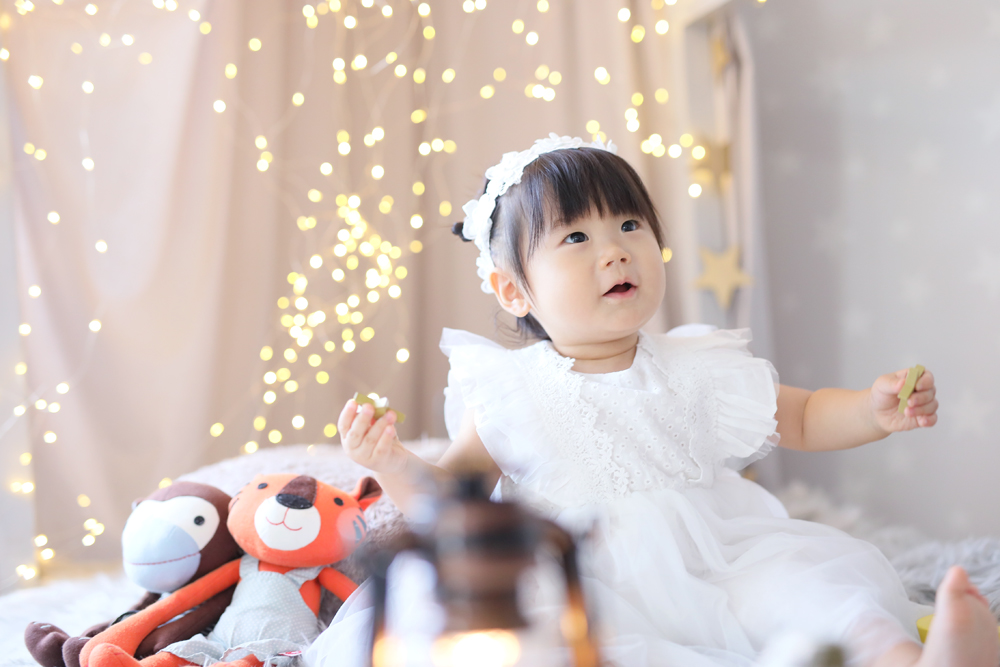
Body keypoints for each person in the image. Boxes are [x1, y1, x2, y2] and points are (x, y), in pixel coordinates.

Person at [309, 134, 1000, 667]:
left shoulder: (695, 362)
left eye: (630, 226)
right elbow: (451, 499)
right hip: (586, 578)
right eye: (576, 237)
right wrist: (392, 461)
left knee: (816, 592)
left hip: (725, 558)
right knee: (562, 643)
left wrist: (871, 411)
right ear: (515, 291)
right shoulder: (510, 389)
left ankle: (912, 658)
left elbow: (801, 414)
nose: (614, 251)